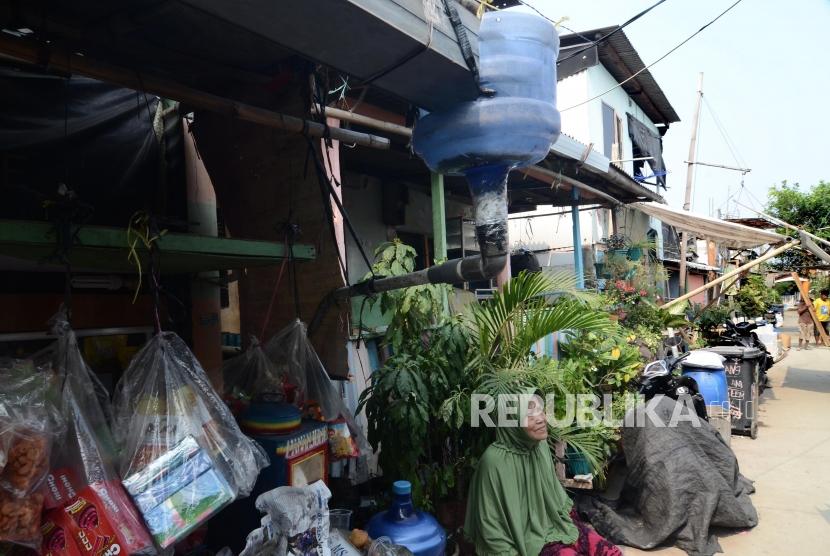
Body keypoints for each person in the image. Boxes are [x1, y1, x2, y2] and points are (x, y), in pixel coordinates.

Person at [465, 390, 621, 556]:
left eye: (540, 410)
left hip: (554, 525)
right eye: (529, 414)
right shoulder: (494, 461)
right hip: (526, 543)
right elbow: (491, 527)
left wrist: (570, 524)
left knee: (612, 552)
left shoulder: (540, 446)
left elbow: (553, 495)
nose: (541, 419)